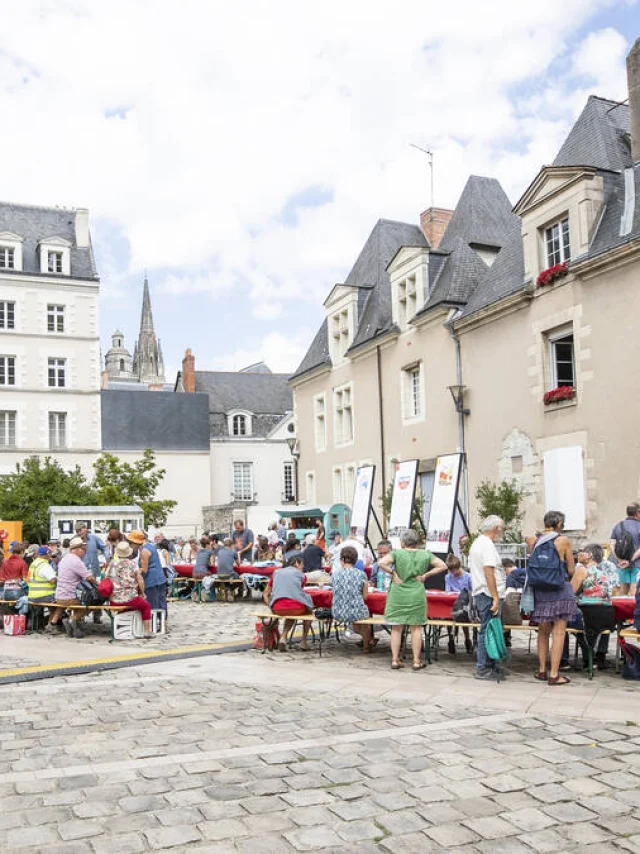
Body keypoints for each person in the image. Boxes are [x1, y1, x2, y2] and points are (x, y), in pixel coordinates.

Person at [378, 529, 447, 671]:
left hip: (398, 593)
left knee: (396, 628)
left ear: (403, 542)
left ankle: (395, 660)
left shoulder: (397, 553)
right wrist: (426, 575)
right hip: (416, 593)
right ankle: (416, 661)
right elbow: (443, 565)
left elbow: (381, 563)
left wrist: (393, 573)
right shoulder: (425, 554)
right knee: (416, 628)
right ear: (417, 542)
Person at [526, 510, 577, 686]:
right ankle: (554, 675)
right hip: (559, 590)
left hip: (540, 591)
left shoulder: (532, 539)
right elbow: (571, 570)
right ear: (560, 524)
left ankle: (541, 670)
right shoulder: (563, 540)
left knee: (543, 631)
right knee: (559, 632)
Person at [468, 515, 506, 681]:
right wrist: (496, 597)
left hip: (483, 592)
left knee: (489, 630)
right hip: (488, 593)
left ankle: (489, 665)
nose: (502, 532)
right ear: (496, 528)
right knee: (488, 630)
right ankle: (484, 667)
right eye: (502, 528)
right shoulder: (487, 545)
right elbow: (488, 571)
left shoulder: (478, 543)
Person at [571, 543, 615, 669]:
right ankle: (592, 659)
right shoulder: (603, 573)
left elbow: (569, 592)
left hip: (589, 616)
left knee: (561, 621)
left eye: (582, 551)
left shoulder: (582, 570)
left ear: (589, 555)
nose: (579, 553)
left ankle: (577, 659)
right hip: (607, 615)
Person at [49, 536, 97, 638]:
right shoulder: (76, 561)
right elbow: (89, 578)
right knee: (91, 603)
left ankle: (53, 624)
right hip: (70, 597)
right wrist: (98, 584)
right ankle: (73, 619)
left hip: (59, 596)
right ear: (77, 549)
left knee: (63, 603)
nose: (85, 552)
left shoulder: (64, 559)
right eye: (84, 549)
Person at [264, 555, 314, 652]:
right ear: (296, 563)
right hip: (295, 608)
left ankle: (283, 637)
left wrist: (271, 606)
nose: (303, 567)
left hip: (277, 608)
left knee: (289, 611)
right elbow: (298, 593)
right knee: (308, 612)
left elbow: (265, 593)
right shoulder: (302, 575)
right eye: (302, 565)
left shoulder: (276, 572)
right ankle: (303, 641)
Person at [106, 540, 153, 637]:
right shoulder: (132, 564)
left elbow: (106, 579)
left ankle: (123, 627)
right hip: (129, 598)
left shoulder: (112, 564)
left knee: (130, 605)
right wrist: (143, 593)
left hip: (114, 599)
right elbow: (140, 580)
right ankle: (147, 631)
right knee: (146, 606)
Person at [331, 545, 374, 652]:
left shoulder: (335, 575)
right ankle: (367, 645)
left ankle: (369, 640)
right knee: (364, 621)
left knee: (358, 622)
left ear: (341, 560)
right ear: (355, 560)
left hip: (338, 612)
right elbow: (365, 596)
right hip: (356, 612)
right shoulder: (361, 574)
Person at [128, 531, 167, 616]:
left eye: (131, 543)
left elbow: (144, 570)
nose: (130, 545)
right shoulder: (151, 546)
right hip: (160, 578)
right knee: (162, 602)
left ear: (136, 542)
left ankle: (153, 626)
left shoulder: (144, 551)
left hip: (151, 581)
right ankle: (164, 623)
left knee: (153, 605)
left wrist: (134, 571)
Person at [444, 554, 473, 655]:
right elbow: (447, 591)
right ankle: (450, 638)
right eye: (451, 570)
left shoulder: (468, 577)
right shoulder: (448, 577)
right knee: (448, 616)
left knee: (463, 616)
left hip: (464, 604)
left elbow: (471, 592)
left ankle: (467, 639)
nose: (454, 573)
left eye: (455, 570)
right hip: (453, 603)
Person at [610, 502, 640, 595]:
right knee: (635, 590)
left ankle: (621, 610)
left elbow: (612, 544)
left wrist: (620, 560)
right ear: (638, 513)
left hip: (621, 564)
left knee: (623, 590)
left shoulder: (618, 525)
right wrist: (630, 560)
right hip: (637, 564)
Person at [27, 546, 58, 613]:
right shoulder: (45, 565)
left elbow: (28, 580)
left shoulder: (33, 564)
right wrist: (57, 578)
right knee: (61, 602)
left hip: (31, 595)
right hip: (44, 595)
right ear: (46, 554)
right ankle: (52, 622)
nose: (51, 555)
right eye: (50, 553)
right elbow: (52, 580)